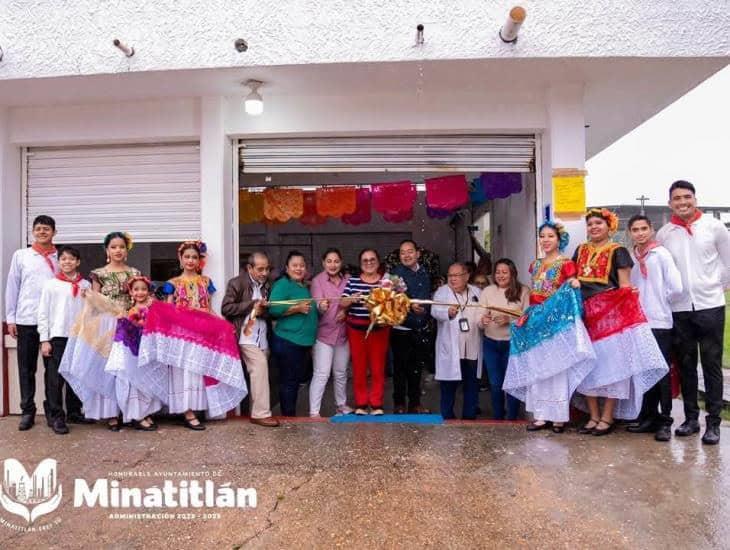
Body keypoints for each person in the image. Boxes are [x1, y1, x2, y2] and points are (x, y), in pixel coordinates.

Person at [573, 208, 668, 436]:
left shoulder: (619, 251)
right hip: (586, 318)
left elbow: (624, 285)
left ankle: (607, 417)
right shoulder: (580, 250)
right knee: (588, 367)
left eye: (599, 223)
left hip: (611, 320)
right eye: (590, 224)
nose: (594, 227)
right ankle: (593, 416)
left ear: (610, 227)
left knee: (612, 368)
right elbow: (573, 279)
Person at [656, 181, 730, 445]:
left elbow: (727, 261)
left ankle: (714, 423)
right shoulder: (665, 233)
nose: (682, 202)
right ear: (670, 203)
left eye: (687, 197)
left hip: (710, 305)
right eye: (677, 198)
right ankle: (690, 418)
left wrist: (715, 287)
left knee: (711, 365)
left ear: (695, 199)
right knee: (686, 364)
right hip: (679, 309)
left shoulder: (714, 227)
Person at [503, 221, 593, 433]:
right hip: (536, 321)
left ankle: (559, 418)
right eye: (542, 236)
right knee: (538, 368)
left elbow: (571, 291)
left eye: (550, 236)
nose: (545, 240)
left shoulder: (566, 264)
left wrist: (574, 283)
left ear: (559, 239)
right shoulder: (534, 265)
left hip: (556, 324)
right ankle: (541, 416)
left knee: (557, 369)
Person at [626, 214, 683, 442]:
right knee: (645, 371)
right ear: (630, 232)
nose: (640, 233)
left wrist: (660, 301)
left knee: (661, 372)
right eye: (635, 229)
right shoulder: (632, 256)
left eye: (643, 228)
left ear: (651, 229)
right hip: (639, 322)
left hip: (659, 321)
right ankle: (648, 416)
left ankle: (665, 420)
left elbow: (676, 287)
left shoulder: (661, 254)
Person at [5, 215, 60, 431]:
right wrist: (11, 318)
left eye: (46, 228)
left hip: (54, 322)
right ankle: (27, 411)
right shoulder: (21, 256)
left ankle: (53, 412)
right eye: (38, 229)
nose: (42, 232)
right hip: (27, 319)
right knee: (26, 368)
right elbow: (12, 286)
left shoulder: (61, 257)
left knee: (52, 370)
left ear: (54, 232)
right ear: (32, 232)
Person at [162, 240, 217, 430]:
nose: (191, 260)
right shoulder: (173, 284)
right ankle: (187, 411)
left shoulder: (206, 282)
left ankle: (195, 407)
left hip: (201, 331)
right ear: (180, 258)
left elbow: (209, 308)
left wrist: (221, 325)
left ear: (199, 260)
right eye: (187, 257)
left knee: (197, 369)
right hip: (181, 332)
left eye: (194, 257)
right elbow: (168, 311)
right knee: (183, 370)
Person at [36, 245, 92, 434]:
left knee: (76, 375)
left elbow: (91, 312)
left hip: (79, 336)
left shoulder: (85, 285)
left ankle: (74, 412)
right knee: (55, 378)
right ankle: (56, 416)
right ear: (59, 262)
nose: (67, 262)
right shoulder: (51, 284)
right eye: (63, 259)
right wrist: (45, 339)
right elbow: (43, 313)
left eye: (71, 259)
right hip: (57, 336)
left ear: (78, 262)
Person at [221, 251, 279, 427]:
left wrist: (264, 310)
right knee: (260, 368)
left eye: (267, 269)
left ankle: (255, 412)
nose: (264, 273)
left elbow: (271, 312)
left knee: (259, 374)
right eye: (260, 269)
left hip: (263, 337)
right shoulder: (236, 283)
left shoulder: (269, 285)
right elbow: (226, 308)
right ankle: (261, 413)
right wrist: (252, 305)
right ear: (249, 268)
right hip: (245, 336)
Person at [268, 251, 322, 417]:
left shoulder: (302, 285)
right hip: (288, 341)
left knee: (294, 381)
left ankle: (289, 414)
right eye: (295, 265)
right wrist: (296, 308)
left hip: (300, 342)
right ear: (287, 267)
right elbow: (273, 308)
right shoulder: (283, 284)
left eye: (302, 266)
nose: (299, 268)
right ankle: (288, 417)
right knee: (289, 382)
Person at [105, 275, 162, 431]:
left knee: (148, 380)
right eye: (136, 289)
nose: (140, 293)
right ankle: (137, 415)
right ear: (130, 292)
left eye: (143, 289)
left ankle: (146, 411)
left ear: (148, 291)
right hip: (134, 351)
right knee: (135, 382)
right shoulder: (130, 311)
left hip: (148, 348)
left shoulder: (154, 307)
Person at [341, 249, 390, 415]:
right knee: (359, 367)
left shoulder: (386, 282)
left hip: (380, 330)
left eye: (372, 260)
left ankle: (376, 403)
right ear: (360, 264)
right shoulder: (353, 281)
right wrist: (351, 299)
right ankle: (361, 403)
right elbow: (342, 302)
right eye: (365, 260)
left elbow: (395, 303)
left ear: (378, 262)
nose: (369, 263)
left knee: (378, 367)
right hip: (356, 330)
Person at [479, 259, 529, 420]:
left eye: (504, 272)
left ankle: (512, 418)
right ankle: (498, 418)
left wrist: (509, 319)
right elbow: (479, 318)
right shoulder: (487, 291)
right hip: (490, 343)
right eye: (497, 272)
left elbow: (528, 318)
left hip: (512, 344)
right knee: (495, 384)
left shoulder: (523, 291)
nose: (500, 275)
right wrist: (483, 321)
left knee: (512, 383)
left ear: (512, 273)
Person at [431, 262, 483, 419]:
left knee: (471, 386)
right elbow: (434, 311)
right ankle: (447, 418)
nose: (452, 279)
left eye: (456, 275)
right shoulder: (442, 292)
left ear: (466, 276)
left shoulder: (477, 292)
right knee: (448, 386)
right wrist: (447, 312)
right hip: (452, 348)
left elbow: (484, 311)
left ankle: (469, 418)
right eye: (450, 276)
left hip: (472, 347)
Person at [389, 240, 432, 414]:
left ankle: (415, 403)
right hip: (401, 329)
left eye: (410, 251)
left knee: (416, 368)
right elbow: (392, 299)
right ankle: (399, 403)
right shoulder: (395, 274)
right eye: (402, 253)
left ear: (417, 253)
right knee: (400, 369)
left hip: (419, 328)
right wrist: (409, 305)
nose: (406, 255)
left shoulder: (424, 273)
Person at [309, 248, 352, 417]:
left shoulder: (348, 280)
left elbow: (353, 302)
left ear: (340, 263)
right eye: (329, 261)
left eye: (336, 261)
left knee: (341, 372)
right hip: (324, 335)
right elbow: (318, 304)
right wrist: (322, 306)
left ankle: (341, 406)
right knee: (321, 374)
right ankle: (314, 412)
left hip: (343, 333)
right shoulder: (317, 281)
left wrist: (346, 311)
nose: (332, 265)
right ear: (323, 263)